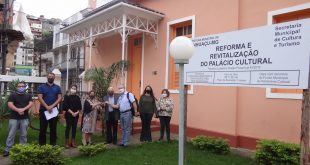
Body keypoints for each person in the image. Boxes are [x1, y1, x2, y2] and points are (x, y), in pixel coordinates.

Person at [3, 82, 33, 157]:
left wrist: (23, 109)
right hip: (14, 117)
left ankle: (22, 149)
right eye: (19, 86)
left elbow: (30, 104)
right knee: (11, 134)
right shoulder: (12, 95)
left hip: (24, 117)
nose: (21, 87)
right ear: (16, 87)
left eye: (22, 86)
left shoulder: (28, 95)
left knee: (23, 134)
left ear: (25, 87)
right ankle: (7, 150)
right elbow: (10, 104)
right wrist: (18, 110)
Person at [38, 72, 62, 145]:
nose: (50, 77)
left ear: (54, 78)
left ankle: (53, 145)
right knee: (43, 129)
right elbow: (40, 97)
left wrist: (51, 106)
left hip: (53, 110)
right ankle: (42, 145)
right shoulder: (41, 87)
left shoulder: (57, 87)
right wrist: (47, 107)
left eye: (52, 76)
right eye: (49, 76)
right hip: (43, 110)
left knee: (53, 128)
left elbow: (59, 98)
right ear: (47, 77)